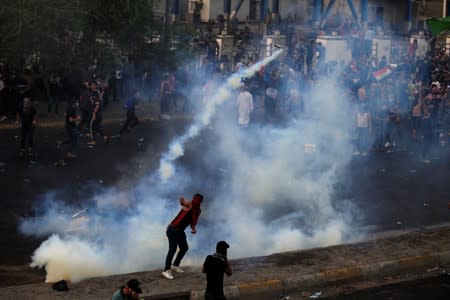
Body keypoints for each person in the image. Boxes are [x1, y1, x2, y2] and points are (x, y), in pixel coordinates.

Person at [162, 193, 204, 280]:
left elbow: (193, 222)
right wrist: (182, 202)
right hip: (173, 229)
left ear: (201, 202)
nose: (196, 201)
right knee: (172, 249)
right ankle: (166, 270)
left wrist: (193, 229)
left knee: (184, 248)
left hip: (180, 231)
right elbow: (184, 204)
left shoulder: (198, 211)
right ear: (193, 198)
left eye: (198, 200)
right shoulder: (190, 203)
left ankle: (176, 265)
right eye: (195, 199)